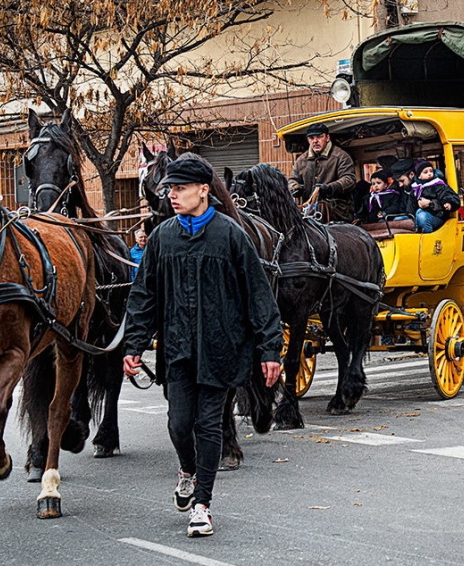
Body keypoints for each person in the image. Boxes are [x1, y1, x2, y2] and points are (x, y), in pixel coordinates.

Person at [122, 157, 282, 538]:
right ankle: (188, 470)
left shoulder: (230, 235)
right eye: (170, 189)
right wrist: (134, 345)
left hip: (221, 348)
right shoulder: (162, 238)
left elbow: (258, 295)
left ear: (203, 190)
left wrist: (270, 349)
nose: (172, 195)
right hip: (177, 348)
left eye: (180, 189)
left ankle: (202, 505)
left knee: (209, 425)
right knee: (179, 424)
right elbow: (144, 296)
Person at [287, 123, 356, 222]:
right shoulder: (301, 160)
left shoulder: (341, 157)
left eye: (319, 137)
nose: (315, 141)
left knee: (319, 209)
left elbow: (349, 180)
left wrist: (328, 188)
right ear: (308, 140)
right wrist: (295, 187)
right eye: (311, 138)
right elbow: (292, 179)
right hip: (308, 209)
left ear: (327, 138)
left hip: (337, 209)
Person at [411, 161, 460, 233]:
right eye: (426, 172)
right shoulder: (415, 188)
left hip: (438, 216)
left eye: (431, 171)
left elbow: (448, 196)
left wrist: (448, 203)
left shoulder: (438, 184)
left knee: (422, 216)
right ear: (419, 176)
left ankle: (428, 239)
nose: (429, 173)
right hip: (419, 216)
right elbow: (411, 206)